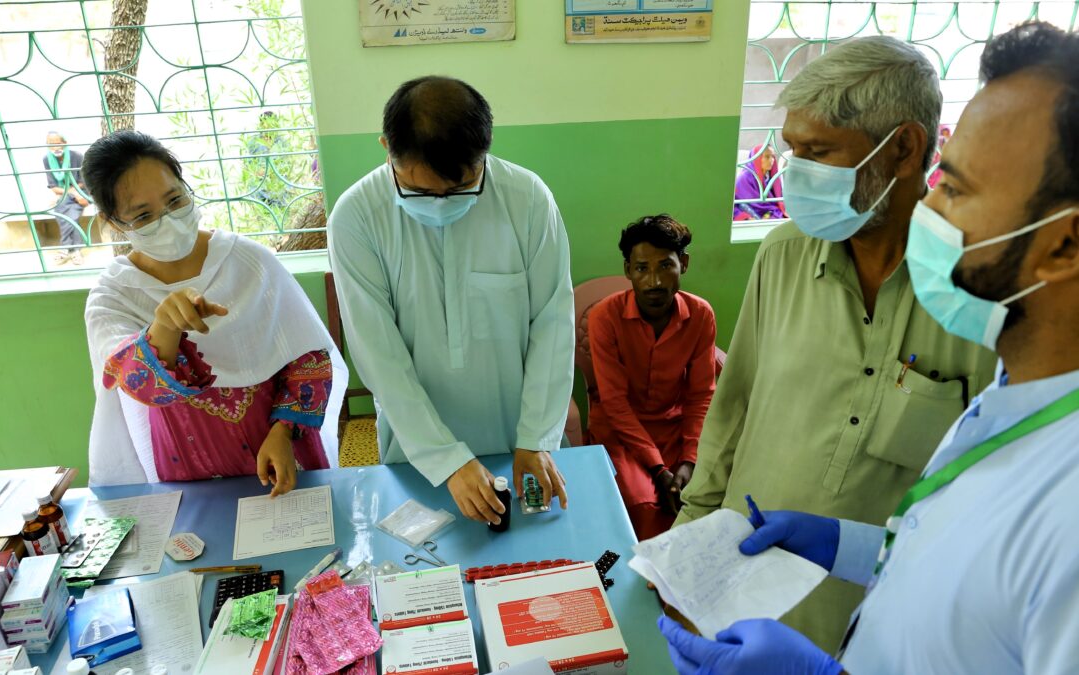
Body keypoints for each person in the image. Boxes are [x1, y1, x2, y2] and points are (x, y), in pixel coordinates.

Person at [658, 21, 1079, 674]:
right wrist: (847, 544)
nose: (936, 210)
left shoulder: (984, 328)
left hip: (842, 620)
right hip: (755, 587)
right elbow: (941, 537)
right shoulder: (1012, 399)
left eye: (957, 188)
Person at [328, 76, 573, 526]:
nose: (440, 205)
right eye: (420, 192)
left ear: (484, 154)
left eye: (461, 188)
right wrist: (446, 459)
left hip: (517, 436)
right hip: (417, 449)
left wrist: (536, 436)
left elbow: (553, 322)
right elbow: (378, 352)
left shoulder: (528, 200)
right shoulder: (356, 217)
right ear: (387, 149)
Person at [82, 131, 347, 493]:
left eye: (175, 200)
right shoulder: (114, 295)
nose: (168, 221)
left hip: (279, 447)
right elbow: (138, 384)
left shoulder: (249, 262)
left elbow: (309, 356)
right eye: (143, 216)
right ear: (112, 222)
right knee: (202, 527)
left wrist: (285, 430)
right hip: (186, 458)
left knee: (300, 520)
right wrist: (164, 325)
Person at [587, 215, 717, 540]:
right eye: (642, 268)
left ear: (683, 264)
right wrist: (659, 470)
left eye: (665, 266)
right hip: (619, 431)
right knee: (643, 504)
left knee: (699, 496)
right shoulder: (605, 317)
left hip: (674, 429)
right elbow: (614, 403)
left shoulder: (700, 314)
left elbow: (701, 395)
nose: (654, 281)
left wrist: (689, 460)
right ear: (628, 270)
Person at [43, 132, 89, 264]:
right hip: (64, 195)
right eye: (51, 144)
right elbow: (53, 186)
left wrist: (73, 193)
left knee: (67, 212)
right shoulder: (46, 159)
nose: (55, 147)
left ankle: (64, 247)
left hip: (81, 192)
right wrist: (70, 193)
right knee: (68, 215)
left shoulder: (76, 156)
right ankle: (76, 251)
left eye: (58, 143)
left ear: (64, 143)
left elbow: (83, 181)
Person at [732, 145, 785, 220]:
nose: (771, 160)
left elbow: (778, 202)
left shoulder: (770, 179)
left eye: (773, 156)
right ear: (757, 158)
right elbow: (735, 206)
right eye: (767, 157)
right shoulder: (744, 178)